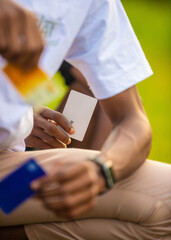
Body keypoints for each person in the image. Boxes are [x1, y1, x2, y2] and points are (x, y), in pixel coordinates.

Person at [0, 1, 171, 240]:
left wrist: (101, 170)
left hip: (8, 170)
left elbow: (133, 120)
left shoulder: (92, 5)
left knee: (166, 202)